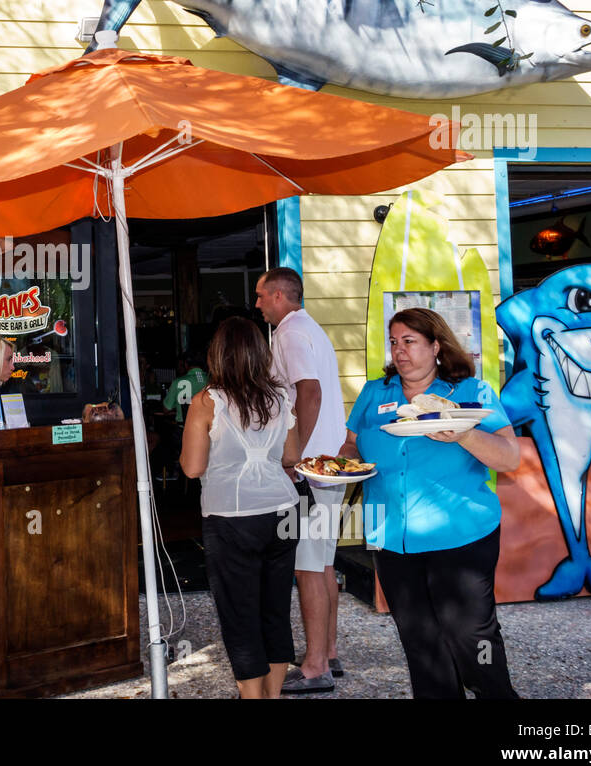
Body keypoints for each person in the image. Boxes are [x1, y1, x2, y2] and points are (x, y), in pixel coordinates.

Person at [341, 307, 520, 699]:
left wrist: (463, 435)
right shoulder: (375, 393)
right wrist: (344, 466)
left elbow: (510, 457)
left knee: (471, 636)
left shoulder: (472, 393)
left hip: (461, 534)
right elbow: (352, 444)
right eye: (394, 342)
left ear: (436, 346)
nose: (399, 351)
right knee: (419, 638)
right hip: (390, 536)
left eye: (409, 342)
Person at [180, 316, 301, 699]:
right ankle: (273, 695)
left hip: (231, 517)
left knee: (239, 614)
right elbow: (292, 456)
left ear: (218, 355)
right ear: (259, 354)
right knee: (275, 610)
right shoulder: (280, 397)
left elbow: (192, 466)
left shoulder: (207, 401)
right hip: (283, 510)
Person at [255, 267, 347, 694]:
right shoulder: (310, 328)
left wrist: (297, 456)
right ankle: (326, 652)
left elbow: (308, 391)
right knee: (323, 563)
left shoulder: (289, 333)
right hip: (328, 466)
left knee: (307, 568)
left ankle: (314, 668)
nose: (256, 304)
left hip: (311, 467)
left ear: (277, 295)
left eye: (260, 296)